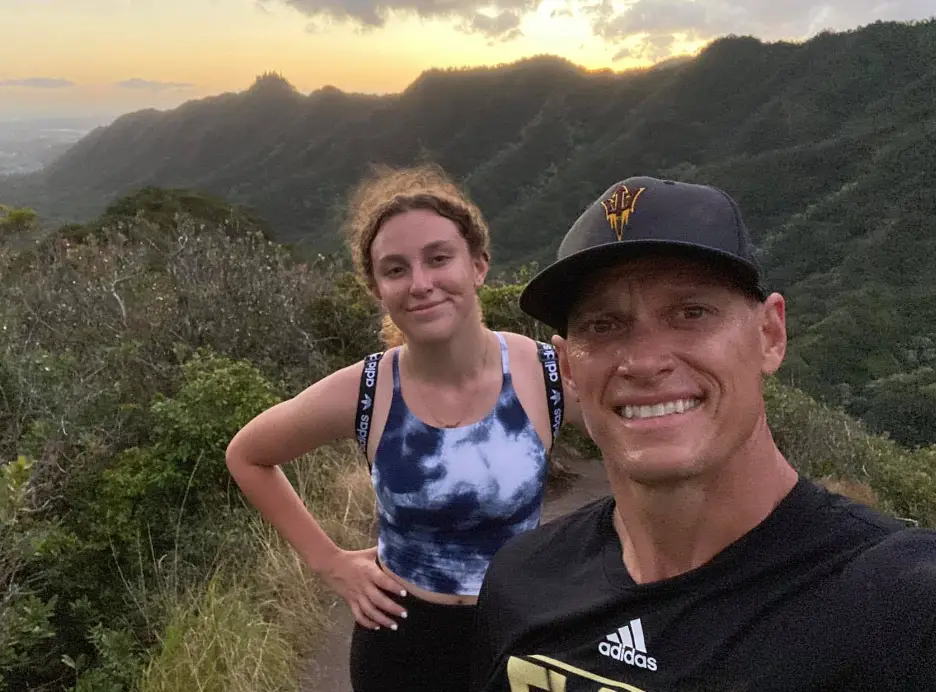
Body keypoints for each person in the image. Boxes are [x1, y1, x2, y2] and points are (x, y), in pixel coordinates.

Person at [470, 176, 936, 691]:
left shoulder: (898, 611)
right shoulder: (523, 580)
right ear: (569, 369)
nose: (644, 362)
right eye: (603, 325)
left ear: (770, 335)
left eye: (691, 313)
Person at [224, 163, 583, 692]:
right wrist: (329, 562)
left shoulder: (543, 373)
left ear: (478, 265)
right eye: (395, 269)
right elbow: (247, 454)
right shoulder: (368, 392)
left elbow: (638, 450)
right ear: (377, 287)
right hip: (398, 646)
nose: (420, 284)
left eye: (439, 259)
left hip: (518, 637)